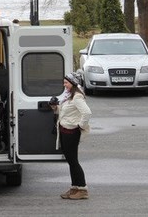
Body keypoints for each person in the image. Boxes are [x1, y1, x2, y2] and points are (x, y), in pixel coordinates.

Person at [50, 71, 92, 200]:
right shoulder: (69, 96)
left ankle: (82, 189)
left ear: (73, 83)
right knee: (70, 161)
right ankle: (74, 188)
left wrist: (80, 125)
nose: (64, 85)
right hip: (64, 131)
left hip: (71, 133)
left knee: (73, 161)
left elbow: (87, 113)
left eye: (66, 82)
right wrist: (55, 107)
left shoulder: (77, 97)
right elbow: (66, 111)